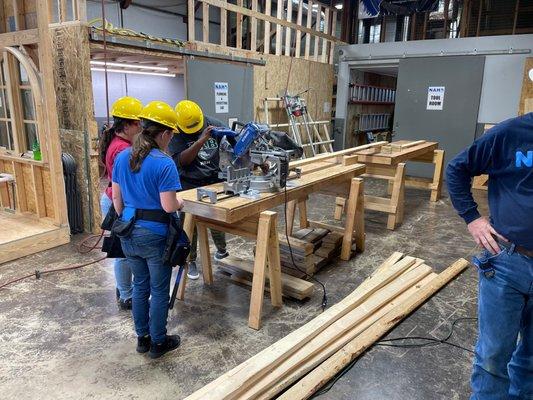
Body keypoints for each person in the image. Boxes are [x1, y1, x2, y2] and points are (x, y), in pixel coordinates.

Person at [446, 112, 533, 400]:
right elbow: (457, 168)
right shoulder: (510, 132)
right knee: (494, 356)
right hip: (508, 262)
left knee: (531, 357)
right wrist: (473, 218)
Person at [112, 101, 184, 359]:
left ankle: (142, 339)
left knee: (139, 286)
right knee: (158, 289)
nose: (171, 140)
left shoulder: (122, 157)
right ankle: (158, 342)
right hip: (155, 235)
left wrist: (133, 216)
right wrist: (180, 201)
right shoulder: (164, 163)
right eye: (172, 135)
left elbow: (117, 203)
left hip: (128, 230)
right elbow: (168, 206)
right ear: (164, 133)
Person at [168, 100, 229, 280]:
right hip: (189, 184)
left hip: (212, 181)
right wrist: (201, 140)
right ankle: (190, 260)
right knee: (189, 226)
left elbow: (232, 138)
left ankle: (222, 251)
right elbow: (182, 161)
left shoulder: (213, 124)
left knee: (217, 220)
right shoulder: (176, 133)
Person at [99, 96, 143, 310]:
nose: (141, 127)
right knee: (124, 254)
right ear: (126, 125)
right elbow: (122, 186)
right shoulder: (121, 150)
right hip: (118, 204)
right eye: (137, 123)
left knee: (125, 252)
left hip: (116, 202)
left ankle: (123, 287)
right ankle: (126, 295)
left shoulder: (122, 143)